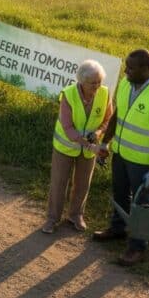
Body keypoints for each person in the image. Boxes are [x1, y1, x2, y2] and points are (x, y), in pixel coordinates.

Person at [93, 49, 149, 267]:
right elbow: (117, 117)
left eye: (131, 68)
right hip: (120, 154)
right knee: (120, 193)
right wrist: (105, 142)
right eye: (126, 67)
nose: (126, 71)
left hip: (142, 162)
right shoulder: (125, 84)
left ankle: (137, 247)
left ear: (146, 69)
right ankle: (117, 228)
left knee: (142, 204)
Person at [42, 60, 114, 234]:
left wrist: (98, 133)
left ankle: (76, 215)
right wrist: (91, 146)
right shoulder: (68, 95)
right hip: (65, 146)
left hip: (89, 149)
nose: (97, 86)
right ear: (81, 81)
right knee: (59, 183)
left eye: (99, 82)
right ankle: (52, 218)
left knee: (83, 184)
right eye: (93, 83)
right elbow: (68, 128)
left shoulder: (104, 94)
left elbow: (108, 120)